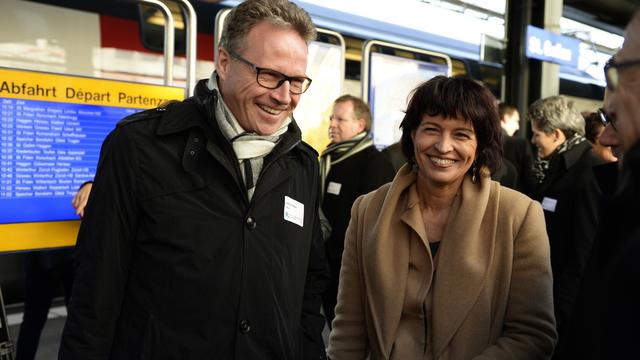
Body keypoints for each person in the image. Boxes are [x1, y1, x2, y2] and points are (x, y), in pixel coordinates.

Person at [59, 1, 328, 359]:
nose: (284, 96)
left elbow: (306, 291)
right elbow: (95, 293)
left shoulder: (303, 164)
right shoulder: (139, 147)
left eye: (296, 81)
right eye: (269, 75)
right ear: (224, 61)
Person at [328, 76, 557, 359]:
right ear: (412, 135)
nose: (443, 146)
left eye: (461, 134)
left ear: (479, 144)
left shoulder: (518, 216)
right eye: (431, 129)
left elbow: (532, 336)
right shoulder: (367, 211)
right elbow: (349, 328)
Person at [527, 95, 602, 337]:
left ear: (557, 135)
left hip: (563, 307)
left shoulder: (588, 170)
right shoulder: (559, 164)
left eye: (537, 134)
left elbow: (584, 250)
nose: (533, 140)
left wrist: (559, 313)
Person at [319, 95, 394, 327]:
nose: (332, 124)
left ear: (360, 125)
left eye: (340, 119)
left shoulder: (374, 163)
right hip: (325, 263)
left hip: (349, 268)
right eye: (332, 118)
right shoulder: (329, 158)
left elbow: (375, 224)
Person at [498, 102, 535, 194]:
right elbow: (530, 179)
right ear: (505, 118)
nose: (518, 127)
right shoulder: (520, 144)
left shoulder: (480, 141)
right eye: (516, 121)